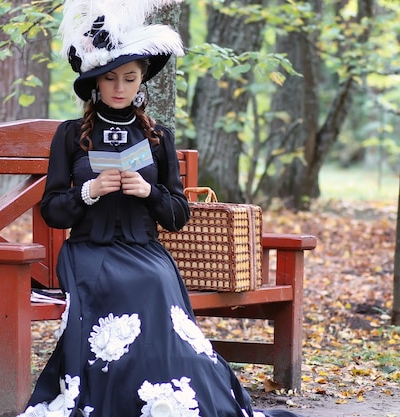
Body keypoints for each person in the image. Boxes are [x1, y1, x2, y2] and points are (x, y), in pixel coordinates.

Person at [19, 1, 305, 416]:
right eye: (111, 78)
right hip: (89, 254)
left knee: (152, 282)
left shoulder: (157, 138)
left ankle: (175, 398)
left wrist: (147, 192)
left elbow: (177, 214)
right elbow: (53, 212)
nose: (120, 87)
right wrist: (91, 191)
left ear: (142, 83)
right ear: (95, 84)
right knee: (130, 288)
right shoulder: (70, 135)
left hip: (146, 253)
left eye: (130, 78)